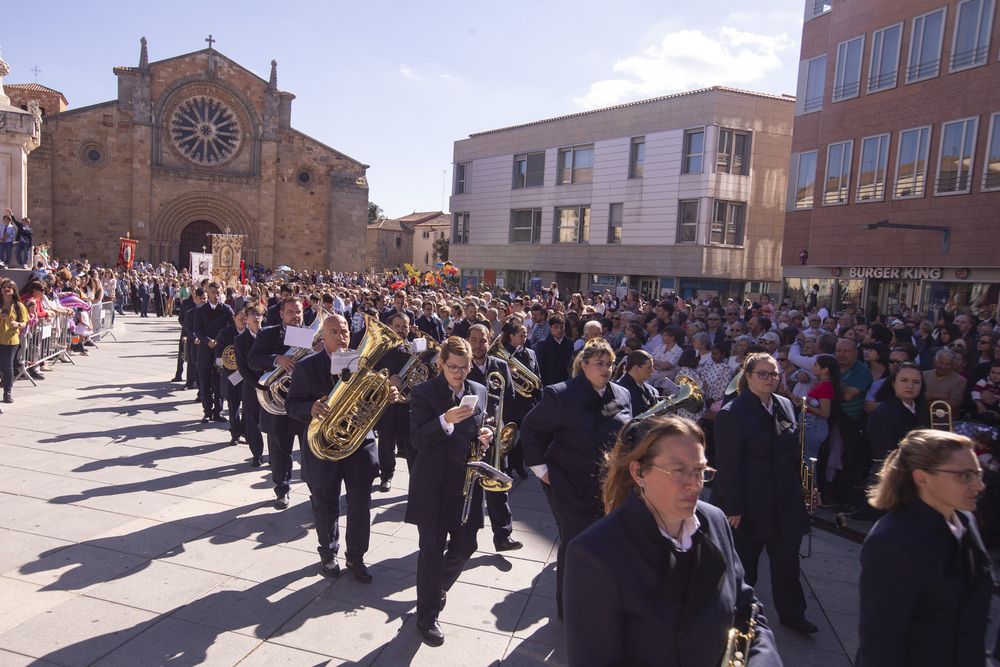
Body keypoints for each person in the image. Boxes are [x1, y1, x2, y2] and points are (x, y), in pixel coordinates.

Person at [563, 415, 781, 666]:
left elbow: (748, 610)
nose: (695, 485)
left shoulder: (716, 520)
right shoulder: (595, 552)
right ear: (638, 472)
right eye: (679, 471)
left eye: (700, 470)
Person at [857, 430, 992, 666]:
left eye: (977, 473)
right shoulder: (891, 542)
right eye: (964, 476)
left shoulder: (965, 519)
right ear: (922, 478)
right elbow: (880, 644)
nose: (979, 485)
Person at [521, 338, 632, 619]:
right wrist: (542, 471)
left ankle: (599, 603)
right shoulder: (561, 394)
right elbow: (531, 428)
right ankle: (569, 611)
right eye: (599, 364)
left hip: (611, 486)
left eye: (610, 364)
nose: (606, 369)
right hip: (570, 485)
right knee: (575, 547)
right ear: (583, 365)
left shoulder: (622, 393)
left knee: (608, 546)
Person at [710, 352, 817, 634]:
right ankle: (737, 615)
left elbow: (795, 452)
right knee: (746, 566)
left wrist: (808, 488)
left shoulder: (784, 405)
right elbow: (728, 465)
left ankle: (793, 613)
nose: (770, 379)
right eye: (763, 374)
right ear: (747, 376)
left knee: (787, 562)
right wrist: (733, 506)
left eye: (774, 374)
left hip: (784, 497)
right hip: (750, 502)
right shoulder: (731, 413)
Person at [285, 314, 396, 582]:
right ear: (323, 337)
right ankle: (328, 553)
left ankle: (356, 557)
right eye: (334, 331)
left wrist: (388, 398)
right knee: (325, 504)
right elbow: (291, 405)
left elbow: (374, 404)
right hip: (324, 448)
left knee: (360, 505)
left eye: (345, 331)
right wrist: (309, 408)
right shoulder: (307, 366)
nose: (341, 336)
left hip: (359, 446)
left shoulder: (363, 365)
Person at [406, 336, 493, 646]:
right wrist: (444, 420)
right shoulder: (423, 392)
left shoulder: (478, 390)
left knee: (467, 545)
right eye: (453, 367)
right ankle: (426, 616)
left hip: (464, 484)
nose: (459, 373)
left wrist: (486, 433)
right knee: (430, 552)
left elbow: (483, 425)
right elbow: (416, 439)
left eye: (465, 367)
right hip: (432, 483)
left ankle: (436, 587)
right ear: (441, 364)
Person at [249, 296, 306, 508]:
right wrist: (277, 359)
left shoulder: (310, 335)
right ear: (281, 314)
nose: (295, 316)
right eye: (290, 312)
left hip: (304, 400)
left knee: (308, 450)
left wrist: (320, 351)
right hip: (277, 400)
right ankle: (282, 489)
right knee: (280, 448)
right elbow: (253, 360)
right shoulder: (268, 333)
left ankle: (314, 489)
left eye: (298, 312)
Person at [193, 282, 235, 424]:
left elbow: (234, 326)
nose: (215, 296)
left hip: (220, 351)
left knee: (219, 381)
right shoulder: (200, 310)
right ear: (208, 292)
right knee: (204, 380)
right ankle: (207, 411)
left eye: (218, 293)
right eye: (212, 292)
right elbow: (197, 329)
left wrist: (225, 341)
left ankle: (218, 411)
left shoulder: (226, 309)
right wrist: (207, 340)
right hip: (205, 349)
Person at [233, 302, 266, 467]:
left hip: (270, 385)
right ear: (247, 318)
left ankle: (274, 456)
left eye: (259, 314)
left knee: (273, 422)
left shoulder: (268, 335)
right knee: (252, 421)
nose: (256, 318)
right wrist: (258, 385)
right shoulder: (240, 340)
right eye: (252, 315)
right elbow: (242, 369)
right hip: (252, 385)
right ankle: (257, 454)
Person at [213, 308, 248, 446]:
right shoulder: (225, 333)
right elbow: (218, 354)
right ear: (234, 318)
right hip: (231, 375)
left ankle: (245, 430)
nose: (244, 321)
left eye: (246, 319)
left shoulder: (251, 333)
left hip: (246, 375)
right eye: (241, 319)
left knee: (247, 406)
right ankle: (235, 433)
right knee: (233, 405)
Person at [0, 280, 28, 403]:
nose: (6, 289)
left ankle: (7, 392)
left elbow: (24, 323)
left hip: (11, 340)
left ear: (14, 289)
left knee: (7, 366)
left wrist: (16, 324)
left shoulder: (19, 306)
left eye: (9, 287)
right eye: (4, 287)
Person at [615, 350, 658, 416]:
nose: (652, 371)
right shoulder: (619, 390)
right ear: (636, 368)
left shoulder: (652, 390)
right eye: (649, 368)